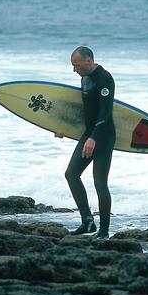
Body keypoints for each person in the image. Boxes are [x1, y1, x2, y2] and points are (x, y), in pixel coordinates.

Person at [56, 46, 116, 240]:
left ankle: (104, 230)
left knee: (99, 182)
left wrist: (94, 137)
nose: (74, 70)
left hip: (104, 136)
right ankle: (88, 221)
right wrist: (66, 128)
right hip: (89, 133)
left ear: (89, 61)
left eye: (77, 65)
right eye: (73, 66)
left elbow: (105, 112)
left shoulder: (105, 79)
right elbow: (86, 111)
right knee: (71, 174)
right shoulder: (84, 79)